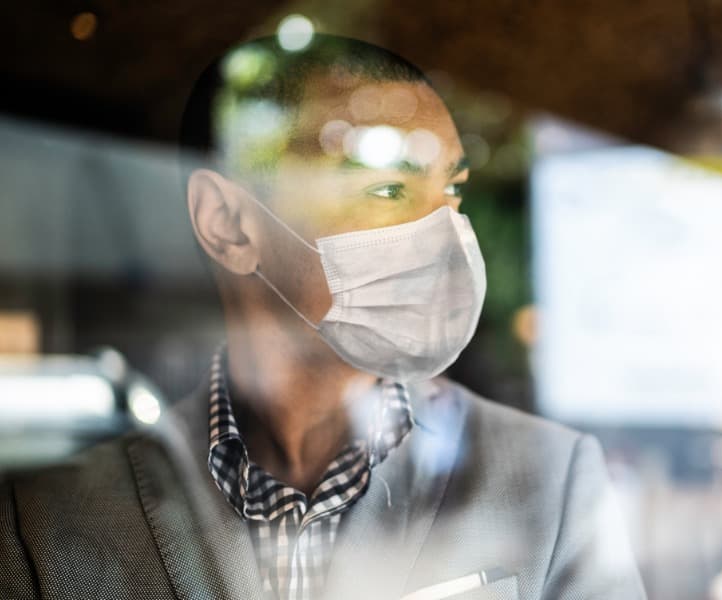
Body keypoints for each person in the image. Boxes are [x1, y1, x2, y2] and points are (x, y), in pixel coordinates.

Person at [0, 34, 645, 600]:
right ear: (228, 225)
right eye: (389, 188)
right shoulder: (46, 523)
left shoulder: (552, 483)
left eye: (453, 191)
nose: (447, 236)